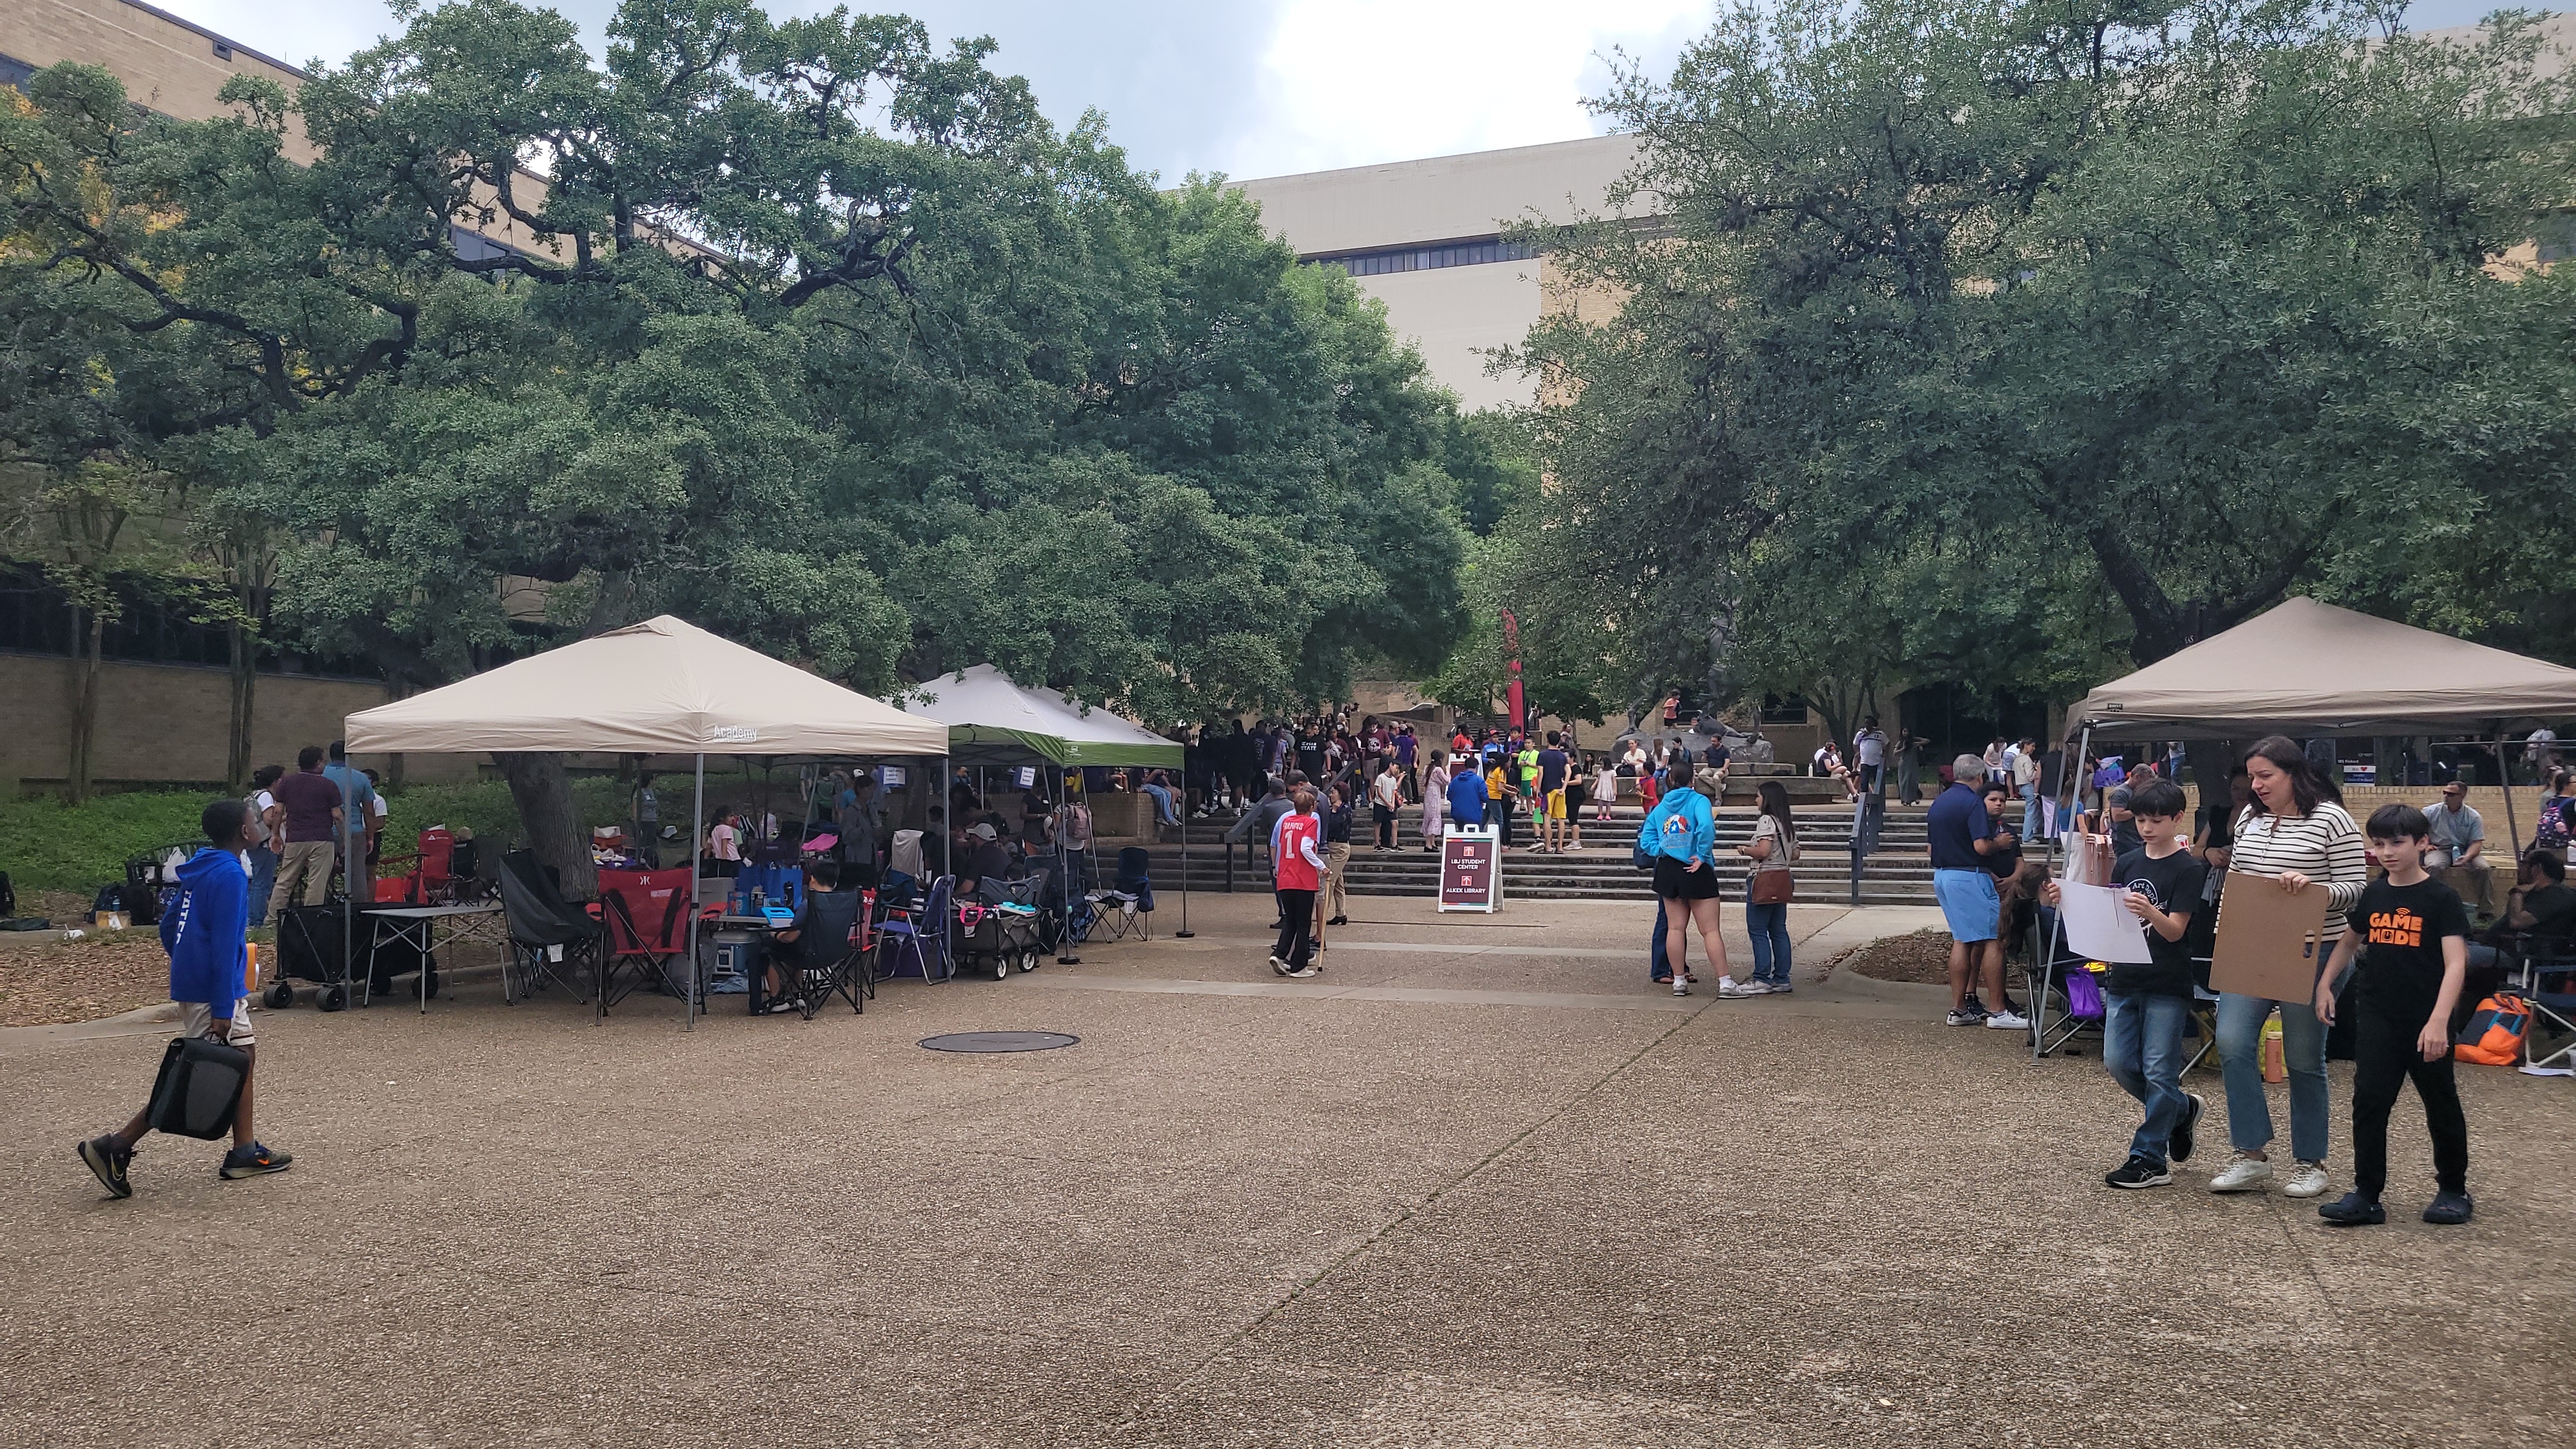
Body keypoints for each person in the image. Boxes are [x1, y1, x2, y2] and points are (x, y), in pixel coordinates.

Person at [78, 798, 292, 1198]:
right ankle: (116, 1145)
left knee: (241, 1058)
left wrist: (187, 960)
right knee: (191, 1072)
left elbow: (169, 926)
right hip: (215, 989)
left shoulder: (202, 867)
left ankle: (244, 1149)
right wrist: (224, 1006)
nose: (259, 824)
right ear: (245, 832)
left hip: (198, 982)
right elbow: (227, 942)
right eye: (253, 820)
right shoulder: (230, 874)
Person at [2209, 736, 2367, 1200]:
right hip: (2253, 944)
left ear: (2294, 774)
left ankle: (2311, 1162)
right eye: (2252, 777)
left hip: (2315, 948)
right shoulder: (2248, 821)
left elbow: (2357, 888)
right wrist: (2226, 937)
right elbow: (2237, 884)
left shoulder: (2332, 819)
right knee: (2233, 1042)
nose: (2255, 785)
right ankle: (2251, 1154)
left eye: (2265, 776)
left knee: (2303, 1058)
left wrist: (2312, 889)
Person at [2313, 804, 2475, 1227]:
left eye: (2398, 842)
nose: (2387, 851)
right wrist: (2326, 984)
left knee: (2439, 1102)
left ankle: (2454, 1188)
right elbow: (2349, 941)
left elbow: (2456, 962)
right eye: (2379, 843)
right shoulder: (2375, 892)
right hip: (2378, 1013)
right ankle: (2367, 1194)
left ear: (2423, 843)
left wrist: (2440, 1019)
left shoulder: (2441, 898)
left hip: (2426, 1016)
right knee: (2369, 1102)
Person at [2043, 779, 2207, 1190]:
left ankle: (2148, 1157)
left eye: (2156, 820)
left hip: (2167, 979)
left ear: (2176, 819)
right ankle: (2181, 1111)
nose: (2148, 827)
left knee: (2158, 1068)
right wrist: (2066, 900)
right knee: (2118, 1063)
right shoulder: (2129, 862)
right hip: (2126, 976)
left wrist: (2149, 910)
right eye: (2141, 820)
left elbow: (2175, 932)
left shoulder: (2188, 868)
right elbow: (2109, 917)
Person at [1931, 754, 2026, 1030]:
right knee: (1993, 939)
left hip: (1943, 874)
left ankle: (1959, 1008)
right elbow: (1981, 847)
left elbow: (1930, 847)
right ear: (1980, 777)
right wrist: (1999, 843)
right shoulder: (1972, 803)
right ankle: (1998, 1011)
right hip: (1969, 875)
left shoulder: (1940, 801)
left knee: (1962, 939)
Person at [1639, 765, 1738, 997]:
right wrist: (1702, 854)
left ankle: (1679, 980)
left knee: (1674, 928)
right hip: (1695, 865)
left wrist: (1662, 849)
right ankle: (1725, 982)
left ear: (1670, 779)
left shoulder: (1661, 806)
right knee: (1710, 930)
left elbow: (1647, 837)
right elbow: (1705, 827)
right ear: (1692, 778)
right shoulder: (1699, 801)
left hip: (1667, 867)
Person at [765, 857, 861, 1014]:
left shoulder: (809, 904)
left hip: (810, 955)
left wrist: (775, 935)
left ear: (812, 879)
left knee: (772, 951)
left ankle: (776, 999)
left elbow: (791, 937)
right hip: (838, 953)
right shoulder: (844, 902)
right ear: (835, 883)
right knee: (795, 952)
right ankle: (797, 996)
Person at [1736, 779, 1798, 993]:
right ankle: (1782, 977)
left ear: (1767, 799)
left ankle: (1761, 977)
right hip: (1782, 877)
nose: (1756, 799)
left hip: (1764, 877)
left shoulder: (1766, 821)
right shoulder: (1786, 822)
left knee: (1758, 929)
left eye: (1759, 796)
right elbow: (1796, 853)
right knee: (1779, 929)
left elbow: (1763, 851)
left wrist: (1745, 849)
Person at [268, 746, 342, 923]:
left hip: (295, 838)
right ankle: (310, 920)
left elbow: (278, 812)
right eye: (323, 761)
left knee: (285, 880)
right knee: (316, 882)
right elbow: (337, 815)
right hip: (322, 839)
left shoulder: (286, 783)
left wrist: (276, 834)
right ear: (317, 763)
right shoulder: (328, 785)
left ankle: (272, 919)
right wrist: (345, 837)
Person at [1270, 788, 1326, 978]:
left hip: (1285, 877)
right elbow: (1306, 848)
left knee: (1291, 921)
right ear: (1311, 807)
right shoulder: (1310, 822)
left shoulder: (1286, 822)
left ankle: (1280, 954)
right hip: (1302, 879)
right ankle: (1298, 965)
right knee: (1303, 924)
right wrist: (1321, 866)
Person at [2421, 781, 2492, 916]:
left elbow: (2477, 842)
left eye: (2451, 794)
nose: (2446, 796)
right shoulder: (2430, 812)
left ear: (2462, 796)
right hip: (2440, 848)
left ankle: (2486, 910)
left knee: (2484, 869)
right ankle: (2433, 906)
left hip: (2466, 849)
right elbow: (2416, 831)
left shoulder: (2473, 816)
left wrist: (2468, 857)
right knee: (2434, 866)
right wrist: (2426, 845)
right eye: (2445, 793)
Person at [321, 740, 376, 905]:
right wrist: (370, 836)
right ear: (349, 754)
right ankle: (357, 910)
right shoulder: (361, 778)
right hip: (354, 830)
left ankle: (320, 907)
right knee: (357, 873)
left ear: (330, 755)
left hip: (325, 831)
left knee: (321, 872)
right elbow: (369, 810)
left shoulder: (319, 776)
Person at [242, 764, 286, 928]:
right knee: (263, 884)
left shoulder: (256, 794)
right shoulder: (267, 796)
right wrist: (287, 816)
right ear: (275, 781)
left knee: (259, 882)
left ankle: (254, 918)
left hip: (258, 844)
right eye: (282, 778)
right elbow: (269, 820)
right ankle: (256, 919)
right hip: (266, 844)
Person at [1319, 780, 1355, 931]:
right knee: (1338, 881)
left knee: (1329, 880)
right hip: (1330, 845)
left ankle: (1323, 912)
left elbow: (1337, 824)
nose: (1331, 794)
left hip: (1340, 848)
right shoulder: (1329, 808)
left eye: (1334, 792)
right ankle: (1341, 913)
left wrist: (1333, 811)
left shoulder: (1346, 809)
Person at [1535, 732, 1570, 854]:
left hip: (1547, 789)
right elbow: (1569, 771)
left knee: (1547, 817)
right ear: (1559, 741)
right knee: (1561, 819)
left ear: (1547, 740)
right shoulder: (1562, 756)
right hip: (1560, 789)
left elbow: (1541, 773)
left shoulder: (1543, 755)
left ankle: (1549, 846)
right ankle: (1560, 847)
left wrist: (1538, 789)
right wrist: (1564, 786)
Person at [2531, 768, 2576, 860]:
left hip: (2548, 845)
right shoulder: (2573, 803)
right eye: (2575, 782)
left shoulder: (2551, 801)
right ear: (2565, 786)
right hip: (2565, 847)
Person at [1367, 759, 1401, 853]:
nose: (1396, 770)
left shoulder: (1393, 779)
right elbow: (1379, 792)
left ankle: (1394, 844)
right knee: (1378, 823)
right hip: (1380, 804)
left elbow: (1394, 792)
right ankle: (1377, 844)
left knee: (1395, 823)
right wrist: (1388, 803)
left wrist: (1393, 804)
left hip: (1390, 804)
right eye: (1396, 767)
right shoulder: (1381, 777)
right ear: (1391, 765)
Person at [1853, 716, 1887, 796]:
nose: (1868, 725)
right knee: (1864, 783)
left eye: (1869, 723)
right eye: (1866, 723)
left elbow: (1887, 743)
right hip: (1865, 762)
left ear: (1873, 724)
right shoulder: (1860, 734)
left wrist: (1885, 755)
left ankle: (1879, 802)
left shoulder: (1880, 734)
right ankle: (1864, 803)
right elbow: (1855, 744)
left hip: (1877, 762)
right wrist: (1858, 752)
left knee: (1879, 784)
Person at [706, 808, 744, 878]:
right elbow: (724, 845)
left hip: (719, 860)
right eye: (731, 816)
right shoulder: (727, 828)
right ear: (722, 818)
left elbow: (709, 848)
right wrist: (725, 860)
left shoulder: (713, 830)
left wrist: (705, 861)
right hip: (733, 859)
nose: (733, 818)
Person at [1563, 751, 1590, 850]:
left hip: (1576, 795)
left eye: (1567, 757)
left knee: (1573, 817)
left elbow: (1579, 780)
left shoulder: (1575, 768)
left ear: (1572, 758)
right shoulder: (1567, 768)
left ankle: (1576, 841)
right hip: (1571, 795)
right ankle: (1575, 841)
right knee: (1571, 817)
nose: (1565, 759)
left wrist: (1566, 783)